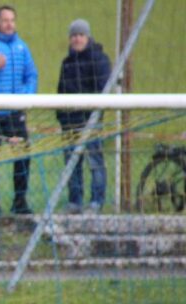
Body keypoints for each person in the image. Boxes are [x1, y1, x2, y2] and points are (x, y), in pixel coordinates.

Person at [0, 5, 37, 216]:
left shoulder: (21, 46)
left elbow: (32, 74)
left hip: (14, 113)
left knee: (23, 155)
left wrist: (27, 97)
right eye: (5, 20)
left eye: (12, 20)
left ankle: (20, 200)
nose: (9, 24)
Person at [56, 19, 111, 215]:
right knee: (72, 163)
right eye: (74, 35)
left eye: (80, 35)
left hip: (90, 121)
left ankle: (96, 201)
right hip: (70, 122)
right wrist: (62, 116)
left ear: (87, 37)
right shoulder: (67, 63)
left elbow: (103, 89)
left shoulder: (100, 60)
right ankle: (75, 202)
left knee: (95, 162)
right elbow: (61, 91)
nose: (77, 39)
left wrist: (93, 116)